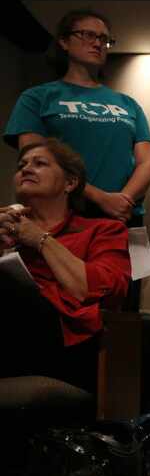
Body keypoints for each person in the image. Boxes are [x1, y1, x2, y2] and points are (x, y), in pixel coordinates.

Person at [4, 9, 150, 227]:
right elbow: (36, 162)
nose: (97, 43)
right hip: (63, 215)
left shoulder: (128, 104)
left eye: (104, 39)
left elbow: (148, 163)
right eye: (88, 35)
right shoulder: (37, 98)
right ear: (64, 42)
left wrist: (122, 201)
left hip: (123, 216)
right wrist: (101, 198)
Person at [0, 139, 130, 393]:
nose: (26, 169)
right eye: (22, 165)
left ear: (70, 183)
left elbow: (97, 290)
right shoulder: (6, 231)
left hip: (68, 344)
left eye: (40, 163)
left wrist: (38, 238)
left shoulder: (103, 230)